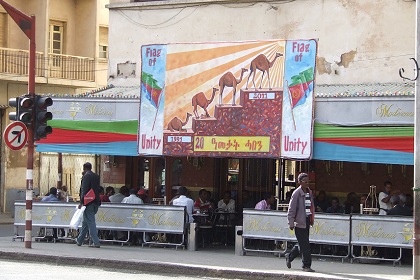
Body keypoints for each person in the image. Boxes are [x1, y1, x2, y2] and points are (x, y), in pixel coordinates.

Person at [286, 172, 315, 273]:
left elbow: (310, 207)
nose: (307, 183)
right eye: (305, 181)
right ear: (299, 182)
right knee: (305, 245)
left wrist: (311, 219)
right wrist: (291, 222)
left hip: (306, 221)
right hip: (299, 222)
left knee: (301, 244)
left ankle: (289, 257)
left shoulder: (309, 192)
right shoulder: (296, 193)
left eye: (308, 181)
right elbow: (291, 209)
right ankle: (306, 265)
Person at [76, 162, 101, 248]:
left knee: (90, 222)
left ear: (84, 168)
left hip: (88, 202)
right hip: (96, 201)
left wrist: (81, 202)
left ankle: (96, 242)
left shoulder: (86, 176)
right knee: (86, 222)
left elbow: (84, 189)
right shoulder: (96, 176)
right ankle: (79, 240)